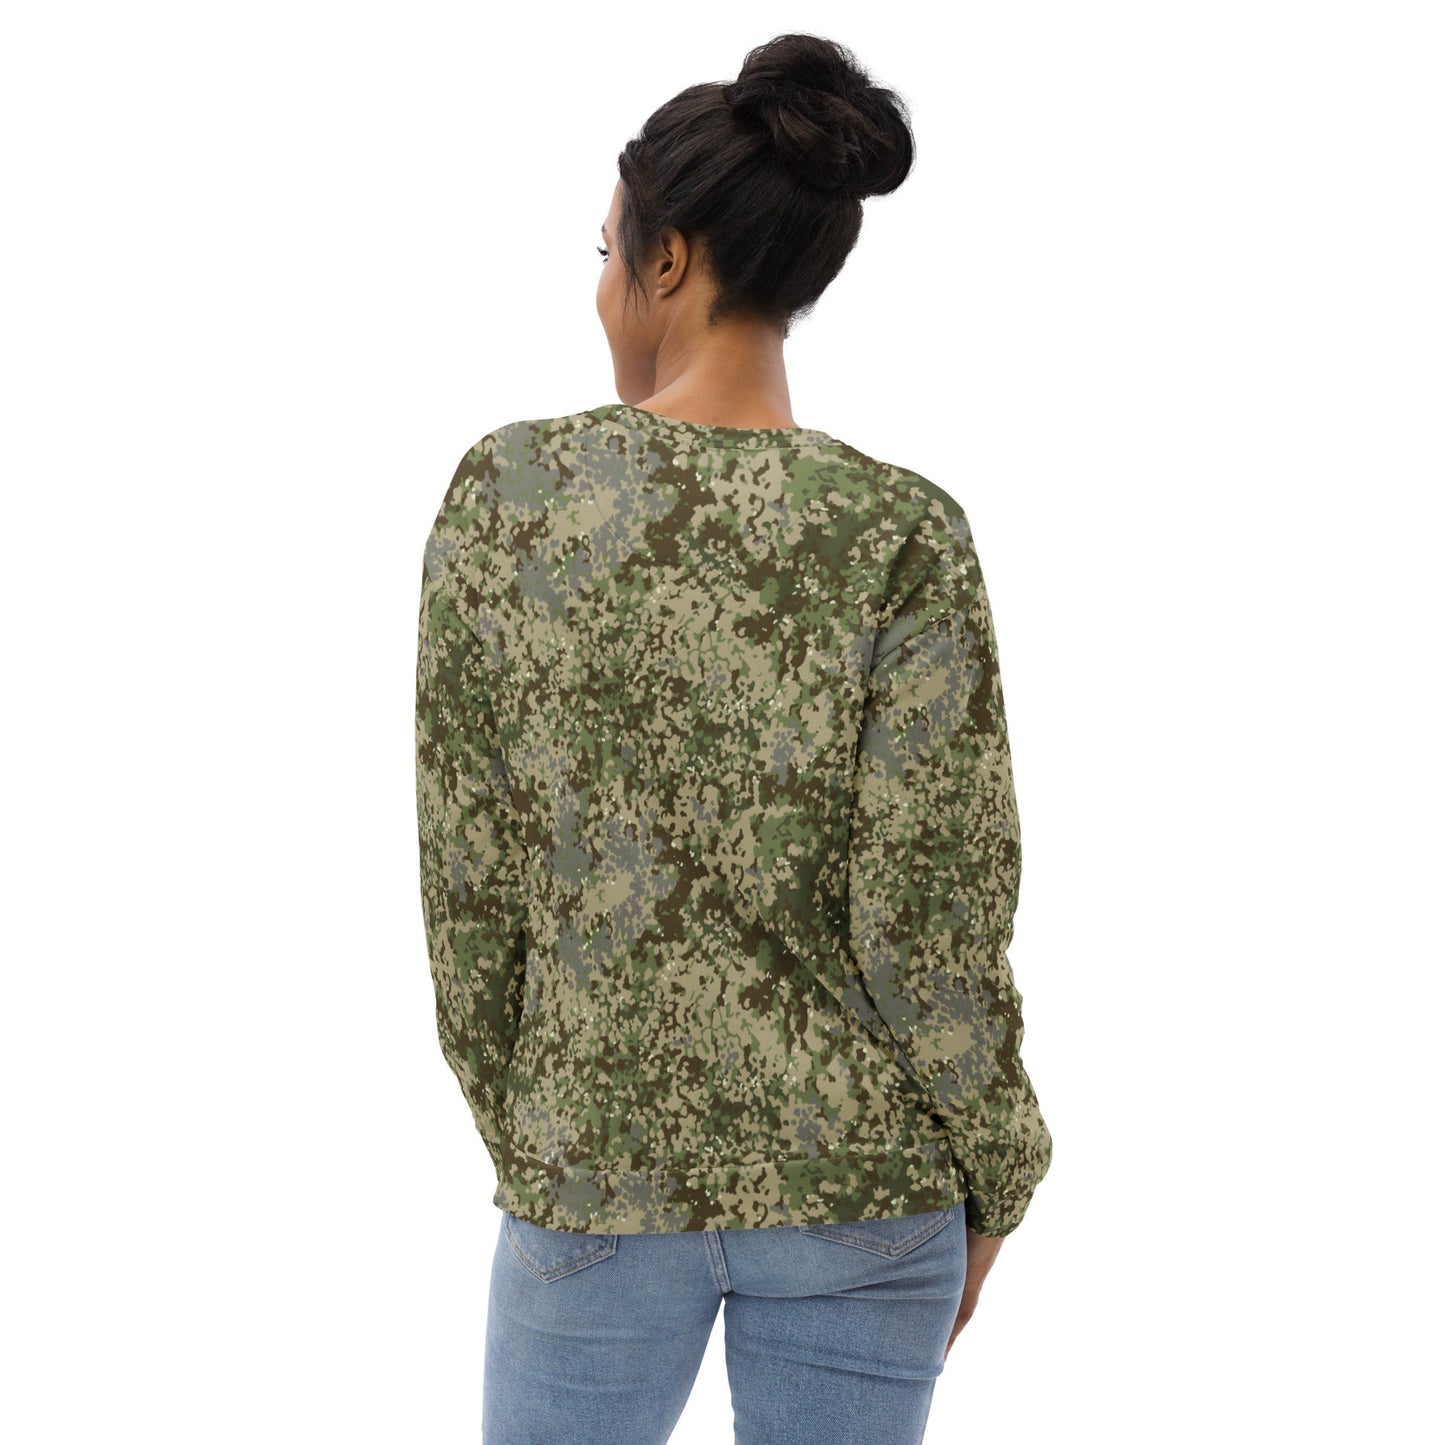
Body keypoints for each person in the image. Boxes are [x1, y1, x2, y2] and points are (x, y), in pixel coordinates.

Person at [414, 31, 1052, 1445]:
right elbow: (931, 917)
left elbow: (471, 888)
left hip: (595, 1172)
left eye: (606, 253)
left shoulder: (509, 496)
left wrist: (552, 1136)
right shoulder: (901, 533)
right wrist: (996, 1171)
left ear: (666, 259)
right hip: (866, 1189)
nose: (600, 289)